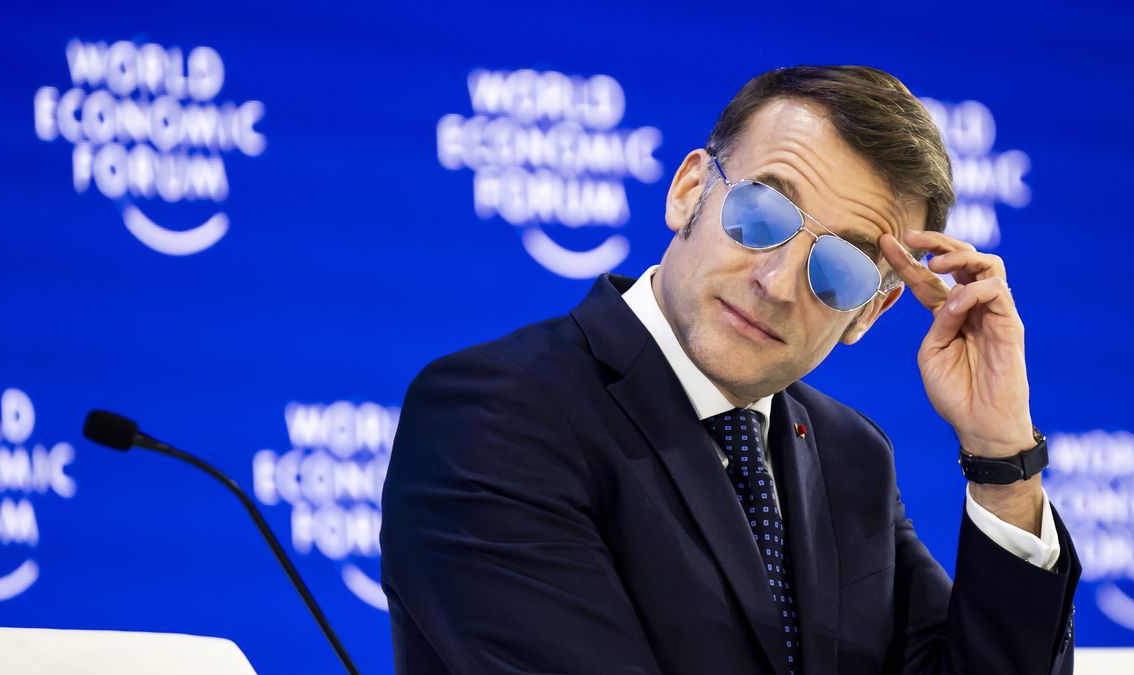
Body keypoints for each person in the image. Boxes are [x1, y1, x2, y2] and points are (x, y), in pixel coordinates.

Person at [380, 65, 1080, 674]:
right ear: (689, 190)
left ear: (870, 311)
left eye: (837, 268)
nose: (777, 282)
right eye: (760, 212)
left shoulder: (850, 455)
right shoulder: (495, 414)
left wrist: (1001, 460)